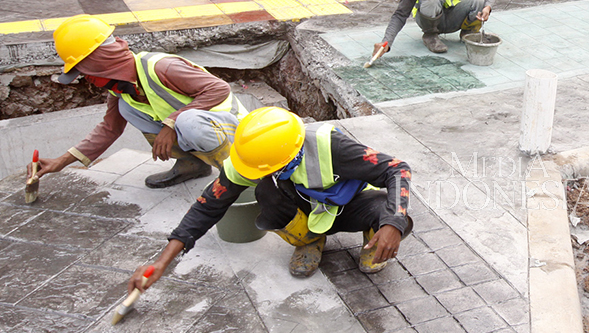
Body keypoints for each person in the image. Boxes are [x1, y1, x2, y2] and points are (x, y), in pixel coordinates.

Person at [127, 107, 414, 289]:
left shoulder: (330, 145)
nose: (252, 174)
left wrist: (393, 222)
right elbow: (208, 206)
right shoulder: (252, 158)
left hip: (350, 206)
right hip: (305, 209)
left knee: (389, 213)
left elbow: (397, 169)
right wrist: (161, 262)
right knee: (267, 193)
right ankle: (309, 241)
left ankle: (375, 240)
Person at [31, 14, 246, 189]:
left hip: (238, 135)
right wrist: (61, 161)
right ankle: (193, 165)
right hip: (200, 132)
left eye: (85, 73)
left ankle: (239, 178)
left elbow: (219, 88)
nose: (87, 80)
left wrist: (171, 123)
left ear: (99, 63)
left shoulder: (161, 67)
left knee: (187, 121)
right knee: (127, 109)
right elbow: (110, 129)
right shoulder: (119, 91)